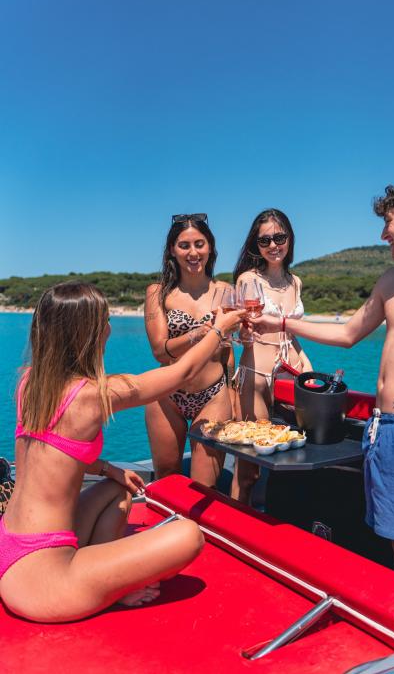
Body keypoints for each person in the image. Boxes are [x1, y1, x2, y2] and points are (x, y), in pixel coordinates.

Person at [253, 177, 394, 629]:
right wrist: (278, 321)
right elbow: (347, 333)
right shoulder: (393, 281)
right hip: (383, 433)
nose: (383, 235)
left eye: (389, 222)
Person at [0, 281, 243, 622]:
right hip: (42, 581)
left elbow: (54, 452)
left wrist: (107, 469)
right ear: (93, 333)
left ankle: (100, 572)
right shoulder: (93, 396)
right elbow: (182, 373)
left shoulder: (31, 382)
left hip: (11, 545)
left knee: (119, 490)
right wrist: (219, 330)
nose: (110, 327)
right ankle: (110, 589)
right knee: (188, 536)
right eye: (105, 320)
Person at [144, 214, 236, 487]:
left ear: (210, 247)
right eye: (184, 245)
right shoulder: (157, 293)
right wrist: (200, 333)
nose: (193, 252)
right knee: (166, 480)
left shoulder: (226, 291)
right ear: (172, 250)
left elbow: (228, 353)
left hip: (213, 396)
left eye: (200, 244)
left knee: (203, 488)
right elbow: (160, 352)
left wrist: (233, 395)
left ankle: (197, 531)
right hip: (166, 394)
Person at [232, 208, 312, 503]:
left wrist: (306, 365)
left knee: (293, 455)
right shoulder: (248, 280)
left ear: (290, 239)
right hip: (256, 373)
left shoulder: (296, 282)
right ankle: (237, 528)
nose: (273, 245)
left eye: (279, 237)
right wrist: (241, 335)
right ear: (256, 245)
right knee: (249, 466)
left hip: (291, 372)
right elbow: (240, 329)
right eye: (264, 240)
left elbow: (292, 334)